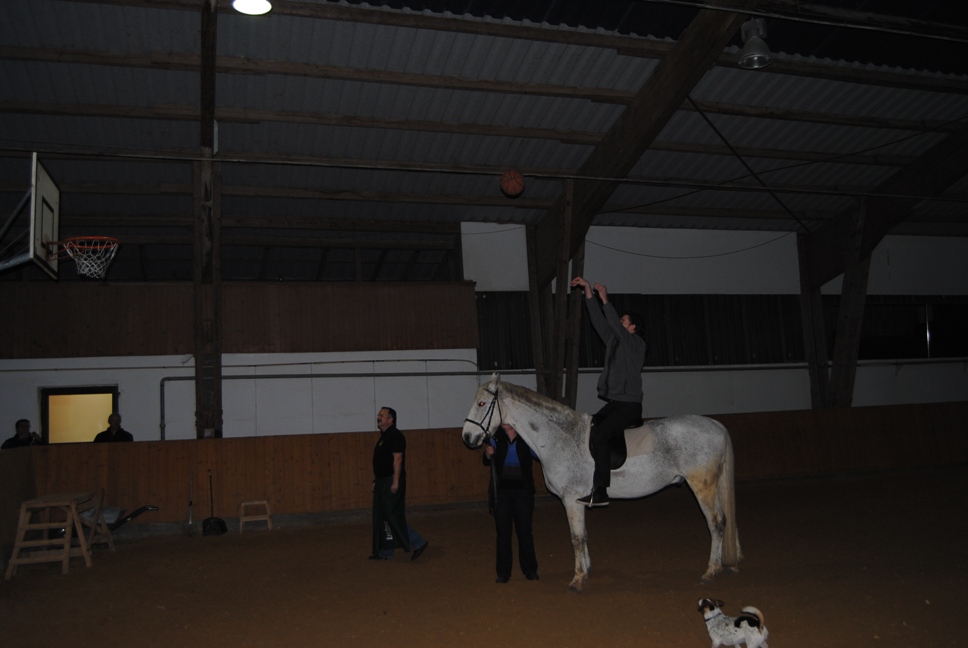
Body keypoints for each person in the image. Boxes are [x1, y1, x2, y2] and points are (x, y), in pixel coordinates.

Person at [570, 276, 647, 508]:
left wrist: (606, 300)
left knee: (601, 435)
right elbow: (599, 323)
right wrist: (588, 293)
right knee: (591, 428)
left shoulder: (636, 344)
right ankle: (595, 474)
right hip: (615, 403)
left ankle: (601, 491)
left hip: (629, 405)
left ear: (632, 327)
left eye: (624, 321)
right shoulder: (615, 342)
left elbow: (612, 322)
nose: (620, 323)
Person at [369, 406, 429, 561]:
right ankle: (386, 551)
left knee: (392, 516)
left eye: (382, 415)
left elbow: (398, 459)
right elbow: (383, 462)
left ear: (390, 419)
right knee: (383, 515)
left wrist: (395, 481)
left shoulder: (395, 436)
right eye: (378, 415)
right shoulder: (384, 437)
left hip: (391, 480)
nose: (379, 417)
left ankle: (418, 542)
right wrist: (377, 481)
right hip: (383, 481)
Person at [483, 423, 539, 583]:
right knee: (503, 533)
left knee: (525, 532)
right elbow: (485, 460)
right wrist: (488, 454)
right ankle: (503, 573)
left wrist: (536, 444)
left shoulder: (526, 436)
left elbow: (537, 455)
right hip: (502, 493)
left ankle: (530, 570)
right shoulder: (496, 437)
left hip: (524, 492)